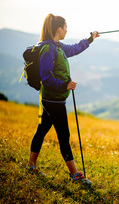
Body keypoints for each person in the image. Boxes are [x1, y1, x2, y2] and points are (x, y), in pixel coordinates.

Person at [26, 13, 100, 185]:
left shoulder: (57, 46)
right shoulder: (48, 49)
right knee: (64, 135)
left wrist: (90, 39)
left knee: (42, 130)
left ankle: (31, 165)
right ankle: (75, 174)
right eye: (66, 28)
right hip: (53, 100)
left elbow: (74, 48)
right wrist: (64, 86)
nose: (67, 30)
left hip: (54, 99)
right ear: (59, 29)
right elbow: (46, 77)